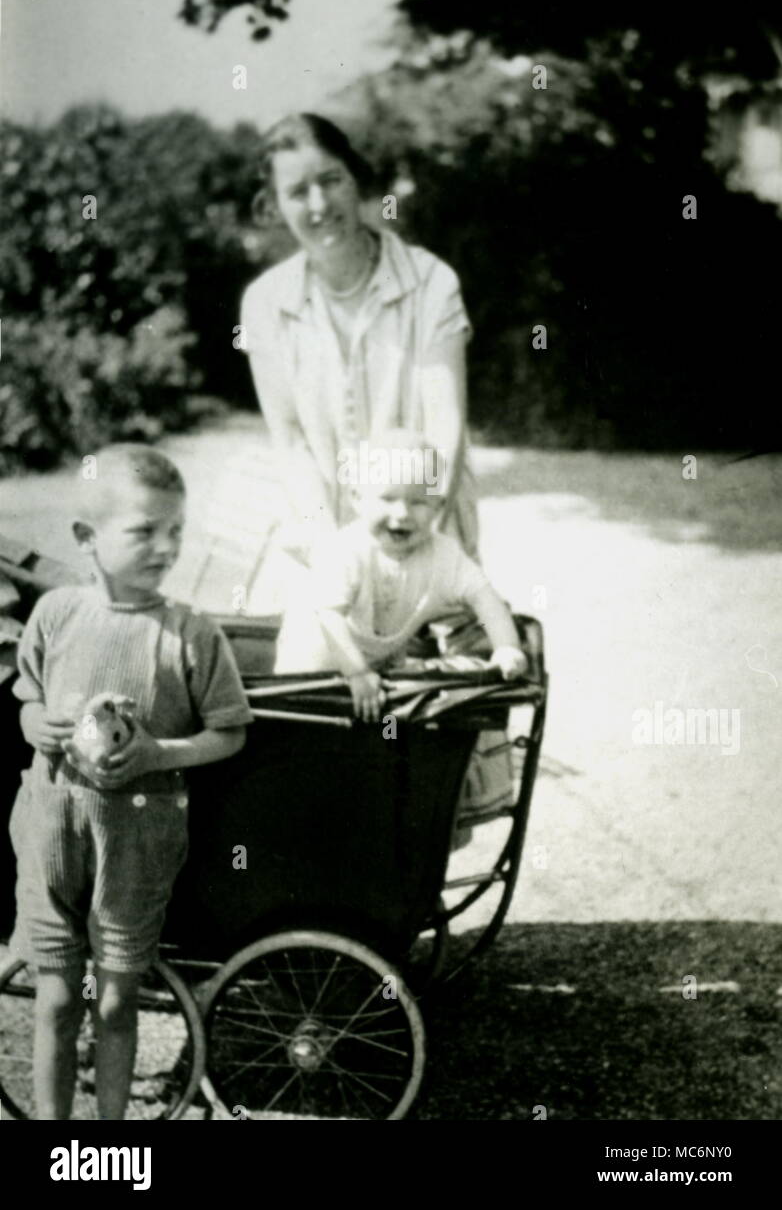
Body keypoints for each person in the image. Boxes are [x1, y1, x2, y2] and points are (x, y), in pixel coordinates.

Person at [8, 444, 253, 1120]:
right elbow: (27, 695)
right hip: (50, 833)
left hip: (135, 847)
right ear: (87, 540)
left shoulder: (191, 634)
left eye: (176, 530)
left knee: (115, 1001)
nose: (166, 547)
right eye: (144, 531)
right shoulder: (56, 615)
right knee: (56, 1000)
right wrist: (35, 724)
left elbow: (230, 730)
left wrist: (157, 753)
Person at [239, 113, 479, 609]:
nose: (320, 204)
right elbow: (292, 443)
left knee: (454, 681)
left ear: (357, 180)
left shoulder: (431, 282)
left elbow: (445, 423)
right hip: (329, 540)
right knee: (318, 675)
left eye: (332, 181)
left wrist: (414, 530)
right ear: (274, 206)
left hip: (427, 531)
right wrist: (331, 551)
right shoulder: (265, 302)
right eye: (298, 192)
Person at [274, 429, 528, 720]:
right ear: (357, 498)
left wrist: (506, 647)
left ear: (438, 506)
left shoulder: (444, 555)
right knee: (300, 713)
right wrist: (356, 672)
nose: (403, 512)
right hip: (317, 651)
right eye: (387, 498)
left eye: (418, 501)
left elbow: (485, 598)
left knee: (383, 715)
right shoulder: (347, 550)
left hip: (379, 660)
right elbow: (329, 617)